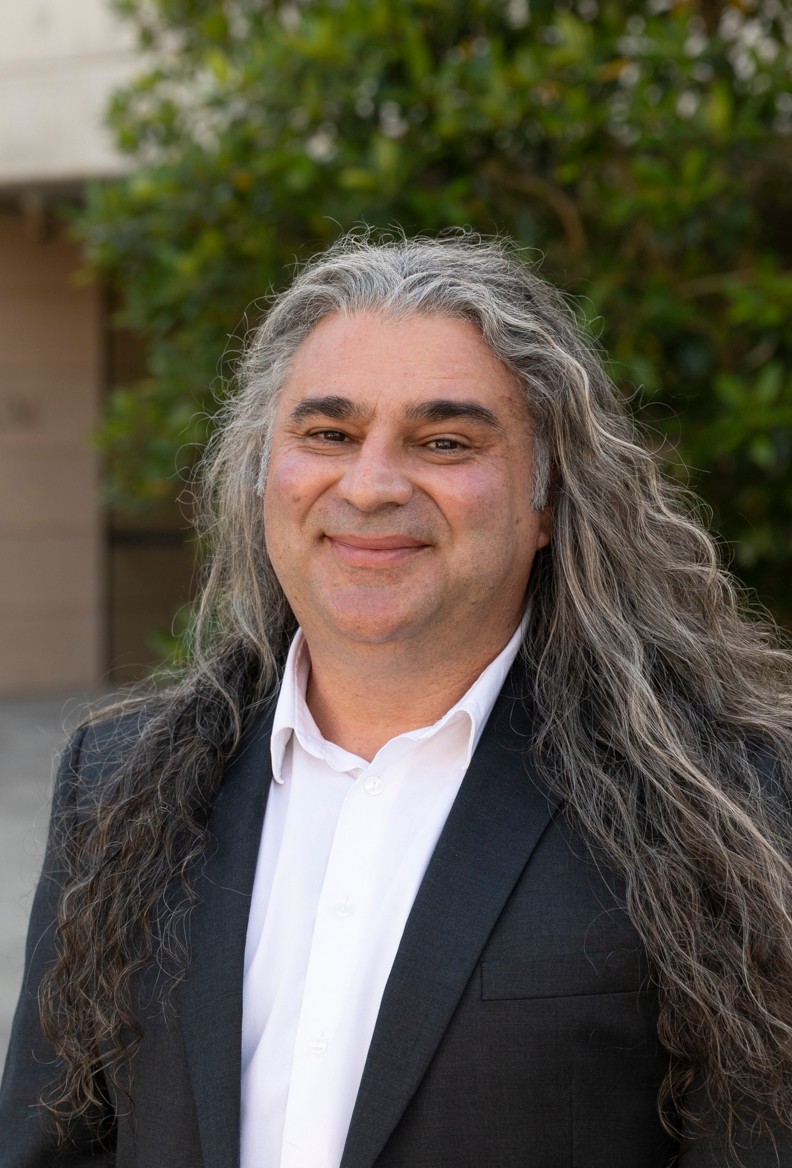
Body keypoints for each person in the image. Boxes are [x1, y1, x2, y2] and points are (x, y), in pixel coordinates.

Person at [2, 231, 791, 1168]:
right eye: (327, 434)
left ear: (546, 502)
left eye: (444, 441)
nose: (370, 485)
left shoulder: (719, 804)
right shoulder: (119, 783)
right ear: (265, 476)